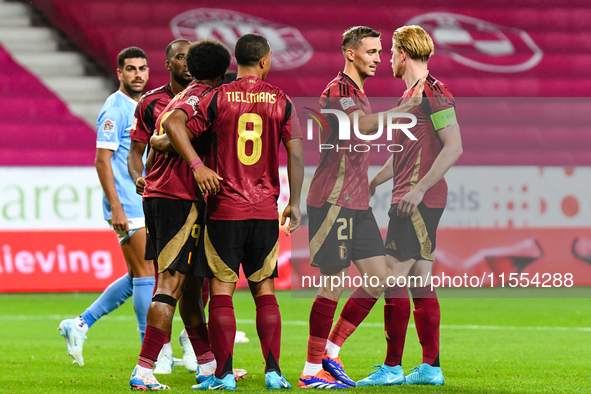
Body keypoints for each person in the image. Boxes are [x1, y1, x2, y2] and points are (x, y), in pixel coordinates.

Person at [164, 33, 304, 391]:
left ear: (236, 62)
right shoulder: (281, 100)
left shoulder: (216, 97)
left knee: (222, 292)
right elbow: (298, 153)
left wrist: (196, 165)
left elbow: (173, 124)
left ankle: (223, 376)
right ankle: (274, 373)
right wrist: (295, 202)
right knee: (265, 291)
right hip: (264, 208)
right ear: (264, 61)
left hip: (225, 207)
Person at [299, 26, 426, 389]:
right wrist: (403, 110)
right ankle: (311, 371)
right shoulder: (339, 91)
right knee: (332, 284)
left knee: (381, 279)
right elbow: (360, 125)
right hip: (333, 201)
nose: (376, 58)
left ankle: (331, 353)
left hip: (356, 203)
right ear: (350, 54)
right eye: (371, 52)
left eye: (379, 51)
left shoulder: (357, 92)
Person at [128, 39, 235, 391]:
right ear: (221, 73)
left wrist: (164, 145)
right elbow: (173, 126)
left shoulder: (182, 95)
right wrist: (196, 163)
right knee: (170, 283)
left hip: (163, 196)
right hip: (179, 197)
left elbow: (165, 133)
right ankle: (144, 371)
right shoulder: (201, 98)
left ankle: (207, 365)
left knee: (190, 286)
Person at [360, 25, 462, 386]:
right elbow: (403, 154)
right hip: (407, 197)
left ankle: (391, 368)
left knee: (388, 277)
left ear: (403, 54)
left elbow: (454, 147)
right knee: (420, 282)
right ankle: (431, 368)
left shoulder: (434, 93)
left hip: (416, 202)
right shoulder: (411, 96)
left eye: (389, 52)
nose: (386, 59)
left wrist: (418, 190)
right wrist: (374, 181)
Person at [58, 47, 154, 366]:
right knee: (146, 274)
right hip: (127, 203)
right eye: (131, 69)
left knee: (137, 275)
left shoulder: (143, 105)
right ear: (119, 73)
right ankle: (150, 353)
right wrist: (116, 207)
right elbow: (102, 160)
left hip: (143, 199)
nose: (138, 74)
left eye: (142, 68)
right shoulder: (115, 109)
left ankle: (80, 324)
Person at [127, 38, 200, 375]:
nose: (186, 63)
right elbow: (136, 153)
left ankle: (199, 352)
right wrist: (139, 176)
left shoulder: (207, 96)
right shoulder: (150, 103)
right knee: (168, 279)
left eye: (191, 57)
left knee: (201, 280)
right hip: (171, 199)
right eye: (180, 57)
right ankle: (161, 352)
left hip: (200, 199)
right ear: (168, 63)